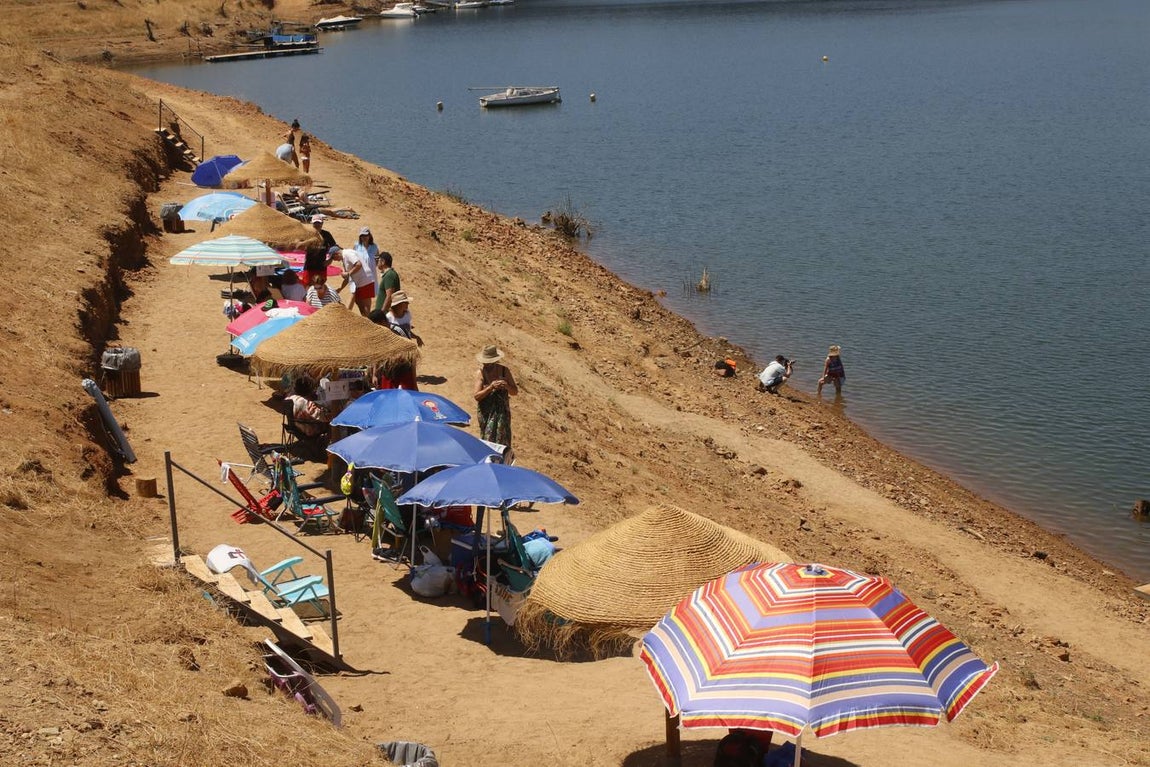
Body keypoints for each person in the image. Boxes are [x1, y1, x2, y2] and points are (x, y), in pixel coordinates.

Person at [474, 345, 517, 446]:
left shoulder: (504, 371)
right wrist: (490, 387)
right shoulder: (480, 373)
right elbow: (477, 396)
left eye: (489, 363)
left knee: (503, 439)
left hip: (502, 413)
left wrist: (506, 386)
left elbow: (514, 392)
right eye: (485, 362)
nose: (487, 365)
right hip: (487, 413)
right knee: (488, 440)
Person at [337, 245, 376, 316]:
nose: (335, 260)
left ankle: (367, 322)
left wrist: (348, 273)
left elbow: (358, 264)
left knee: (365, 306)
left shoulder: (347, 254)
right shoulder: (344, 257)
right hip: (361, 282)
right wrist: (340, 288)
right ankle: (365, 320)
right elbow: (348, 277)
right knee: (359, 303)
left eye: (333, 258)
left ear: (336, 254)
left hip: (365, 281)